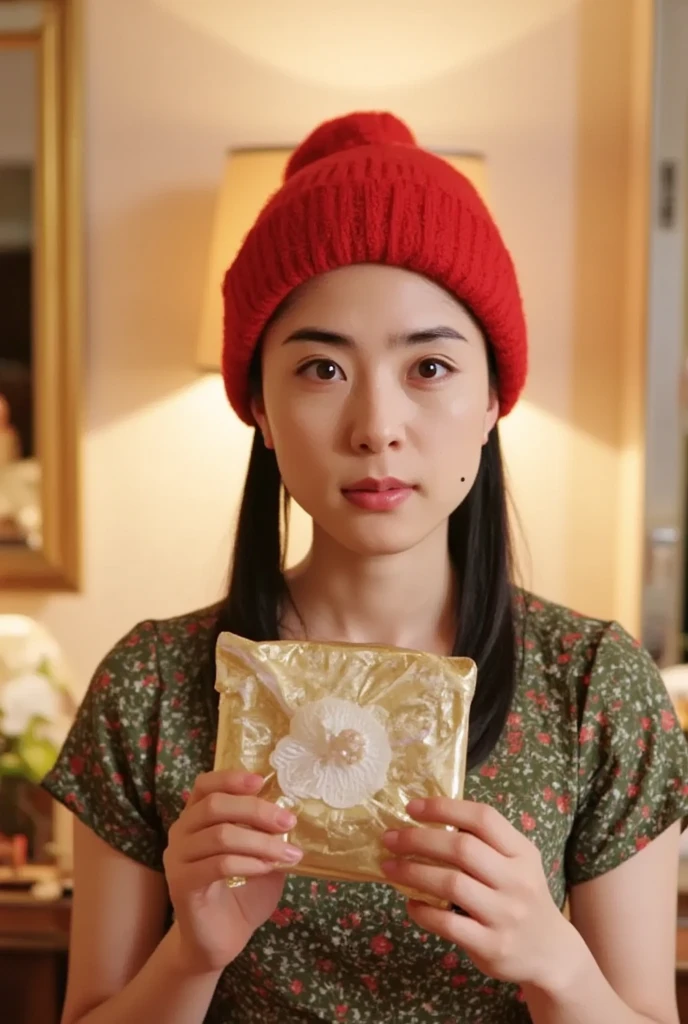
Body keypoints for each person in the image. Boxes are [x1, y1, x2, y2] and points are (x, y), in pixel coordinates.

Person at [43, 111, 688, 1024]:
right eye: (321, 368)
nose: (376, 426)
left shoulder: (593, 686)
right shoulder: (152, 686)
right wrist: (190, 959)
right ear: (258, 406)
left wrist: (556, 963)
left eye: (428, 366)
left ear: (494, 397)